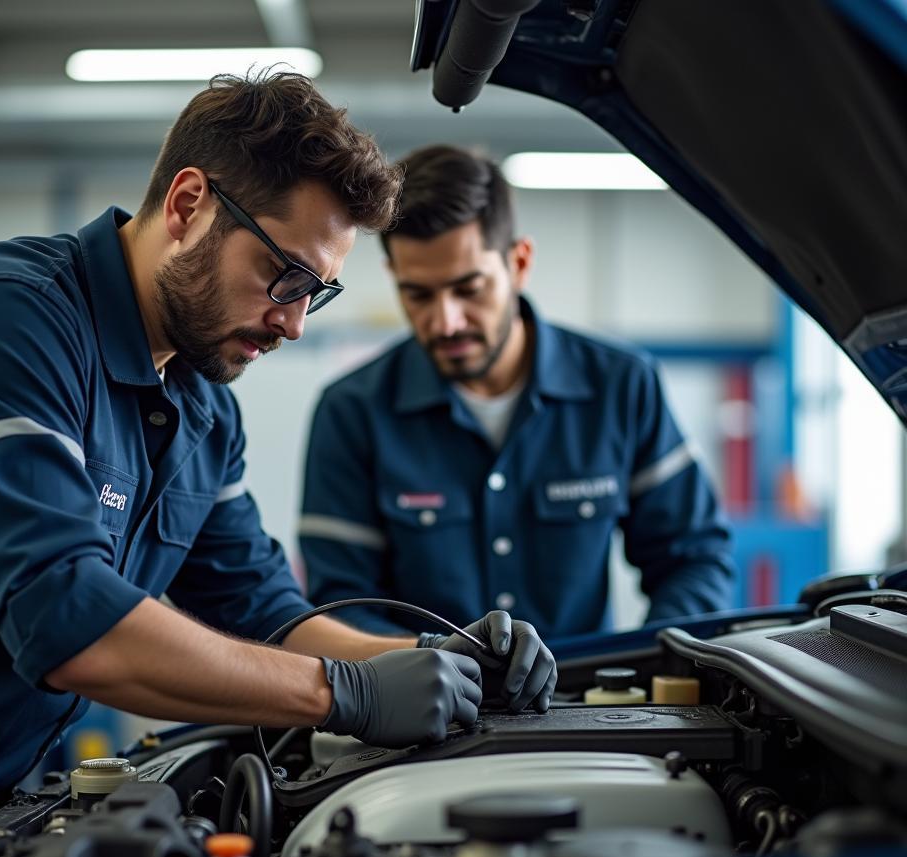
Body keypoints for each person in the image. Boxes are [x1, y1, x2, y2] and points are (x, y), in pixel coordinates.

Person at [0, 77, 556, 854]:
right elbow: (65, 620)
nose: (297, 323)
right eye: (287, 277)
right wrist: (346, 693)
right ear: (188, 205)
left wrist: (438, 662)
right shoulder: (3, 319)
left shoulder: (203, 404)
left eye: (319, 292)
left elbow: (264, 611)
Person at [300, 144, 734, 644]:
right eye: (418, 294)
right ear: (394, 278)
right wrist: (433, 660)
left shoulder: (621, 387)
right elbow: (340, 603)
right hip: (421, 710)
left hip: (587, 709)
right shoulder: (352, 412)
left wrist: (646, 668)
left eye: (469, 289)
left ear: (519, 263)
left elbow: (694, 558)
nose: (446, 321)